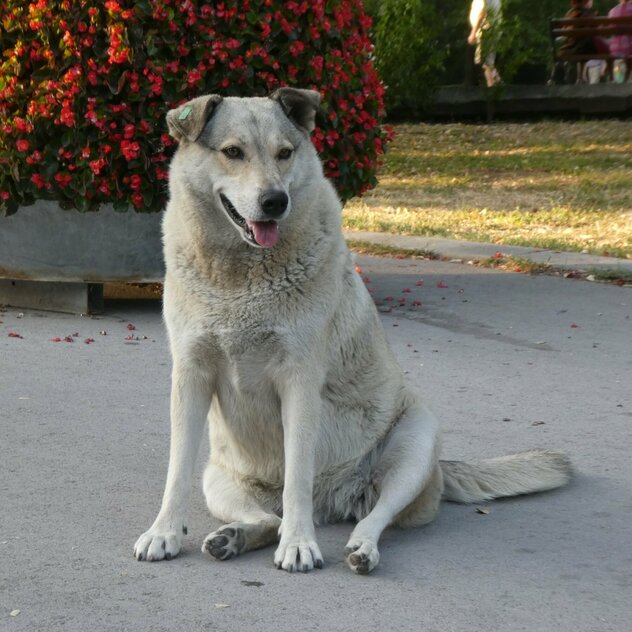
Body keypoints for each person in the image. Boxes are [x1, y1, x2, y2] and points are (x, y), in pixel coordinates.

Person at [468, 0, 502, 87]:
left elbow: (482, 13)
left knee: (486, 63)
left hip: (486, 31)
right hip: (492, 30)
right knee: (488, 62)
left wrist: (473, 32)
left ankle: (493, 88)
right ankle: (499, 86)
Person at [608, 0, 632, 82]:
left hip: (615, 48)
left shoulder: (612, 11)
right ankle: (627, 76)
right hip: (630, 48)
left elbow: (610, 29)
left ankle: (615, 79)